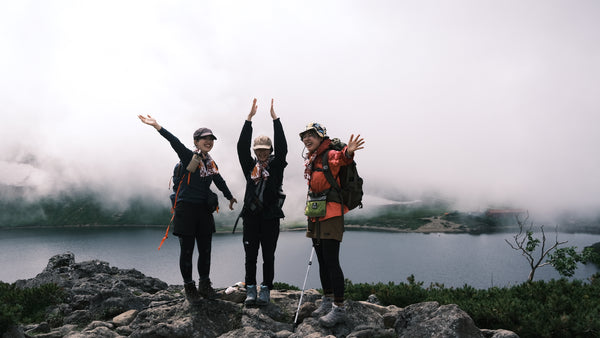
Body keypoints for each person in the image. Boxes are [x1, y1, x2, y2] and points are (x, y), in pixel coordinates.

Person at [138, 114, 238, 304]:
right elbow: (173, 142)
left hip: (203, 210)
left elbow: (218, 180)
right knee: (187, 251)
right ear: (196, 141)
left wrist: (229, 196)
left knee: (205, 250)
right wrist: (157, 126)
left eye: (211, 139)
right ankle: (189, 287)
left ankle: (205, 286)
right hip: (185, 210)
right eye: (205, 139)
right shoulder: (187, 157)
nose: (209, 142)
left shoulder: (210, 163)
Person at [300, 122, 365, 327]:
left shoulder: (329, 154)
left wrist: (348, 151)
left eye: (311, 135)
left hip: (331, 214)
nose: (307, 139)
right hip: (316, 213)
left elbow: (341, 159)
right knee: (321, 259)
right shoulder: (313, 158)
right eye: (304, 136)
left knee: (331, 260)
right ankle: (327, 300)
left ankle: (339, 308)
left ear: (321, 137)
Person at [236, 98, 287, 306]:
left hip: (270, 217)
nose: (262, 152)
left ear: (270, 149)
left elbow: (283, 148)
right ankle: (250, 288)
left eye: (265, 149)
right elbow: (241, 148)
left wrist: (276, 119)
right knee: (250, 256)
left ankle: (265, 288)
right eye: (258, 149)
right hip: (251, 217)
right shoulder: (250, 167)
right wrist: (249, 120)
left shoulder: (276, 166)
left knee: (268, 255)